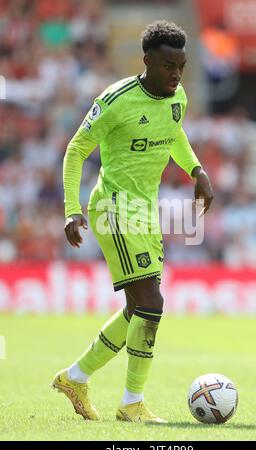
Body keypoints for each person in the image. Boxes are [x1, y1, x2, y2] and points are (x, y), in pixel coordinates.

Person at [51, 20, 214, 423]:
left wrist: (197, 171)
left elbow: (173, 133)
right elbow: (75, 151)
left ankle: (76, 377)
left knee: (138, 310)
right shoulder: (115, 100)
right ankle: (131, 404)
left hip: (145, 210)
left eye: (181, 66)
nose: (176, 74)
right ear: (147, 61)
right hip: (113, 208)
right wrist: (72, 209)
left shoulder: (178, 97)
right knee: (152, 303)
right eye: (168, 66)